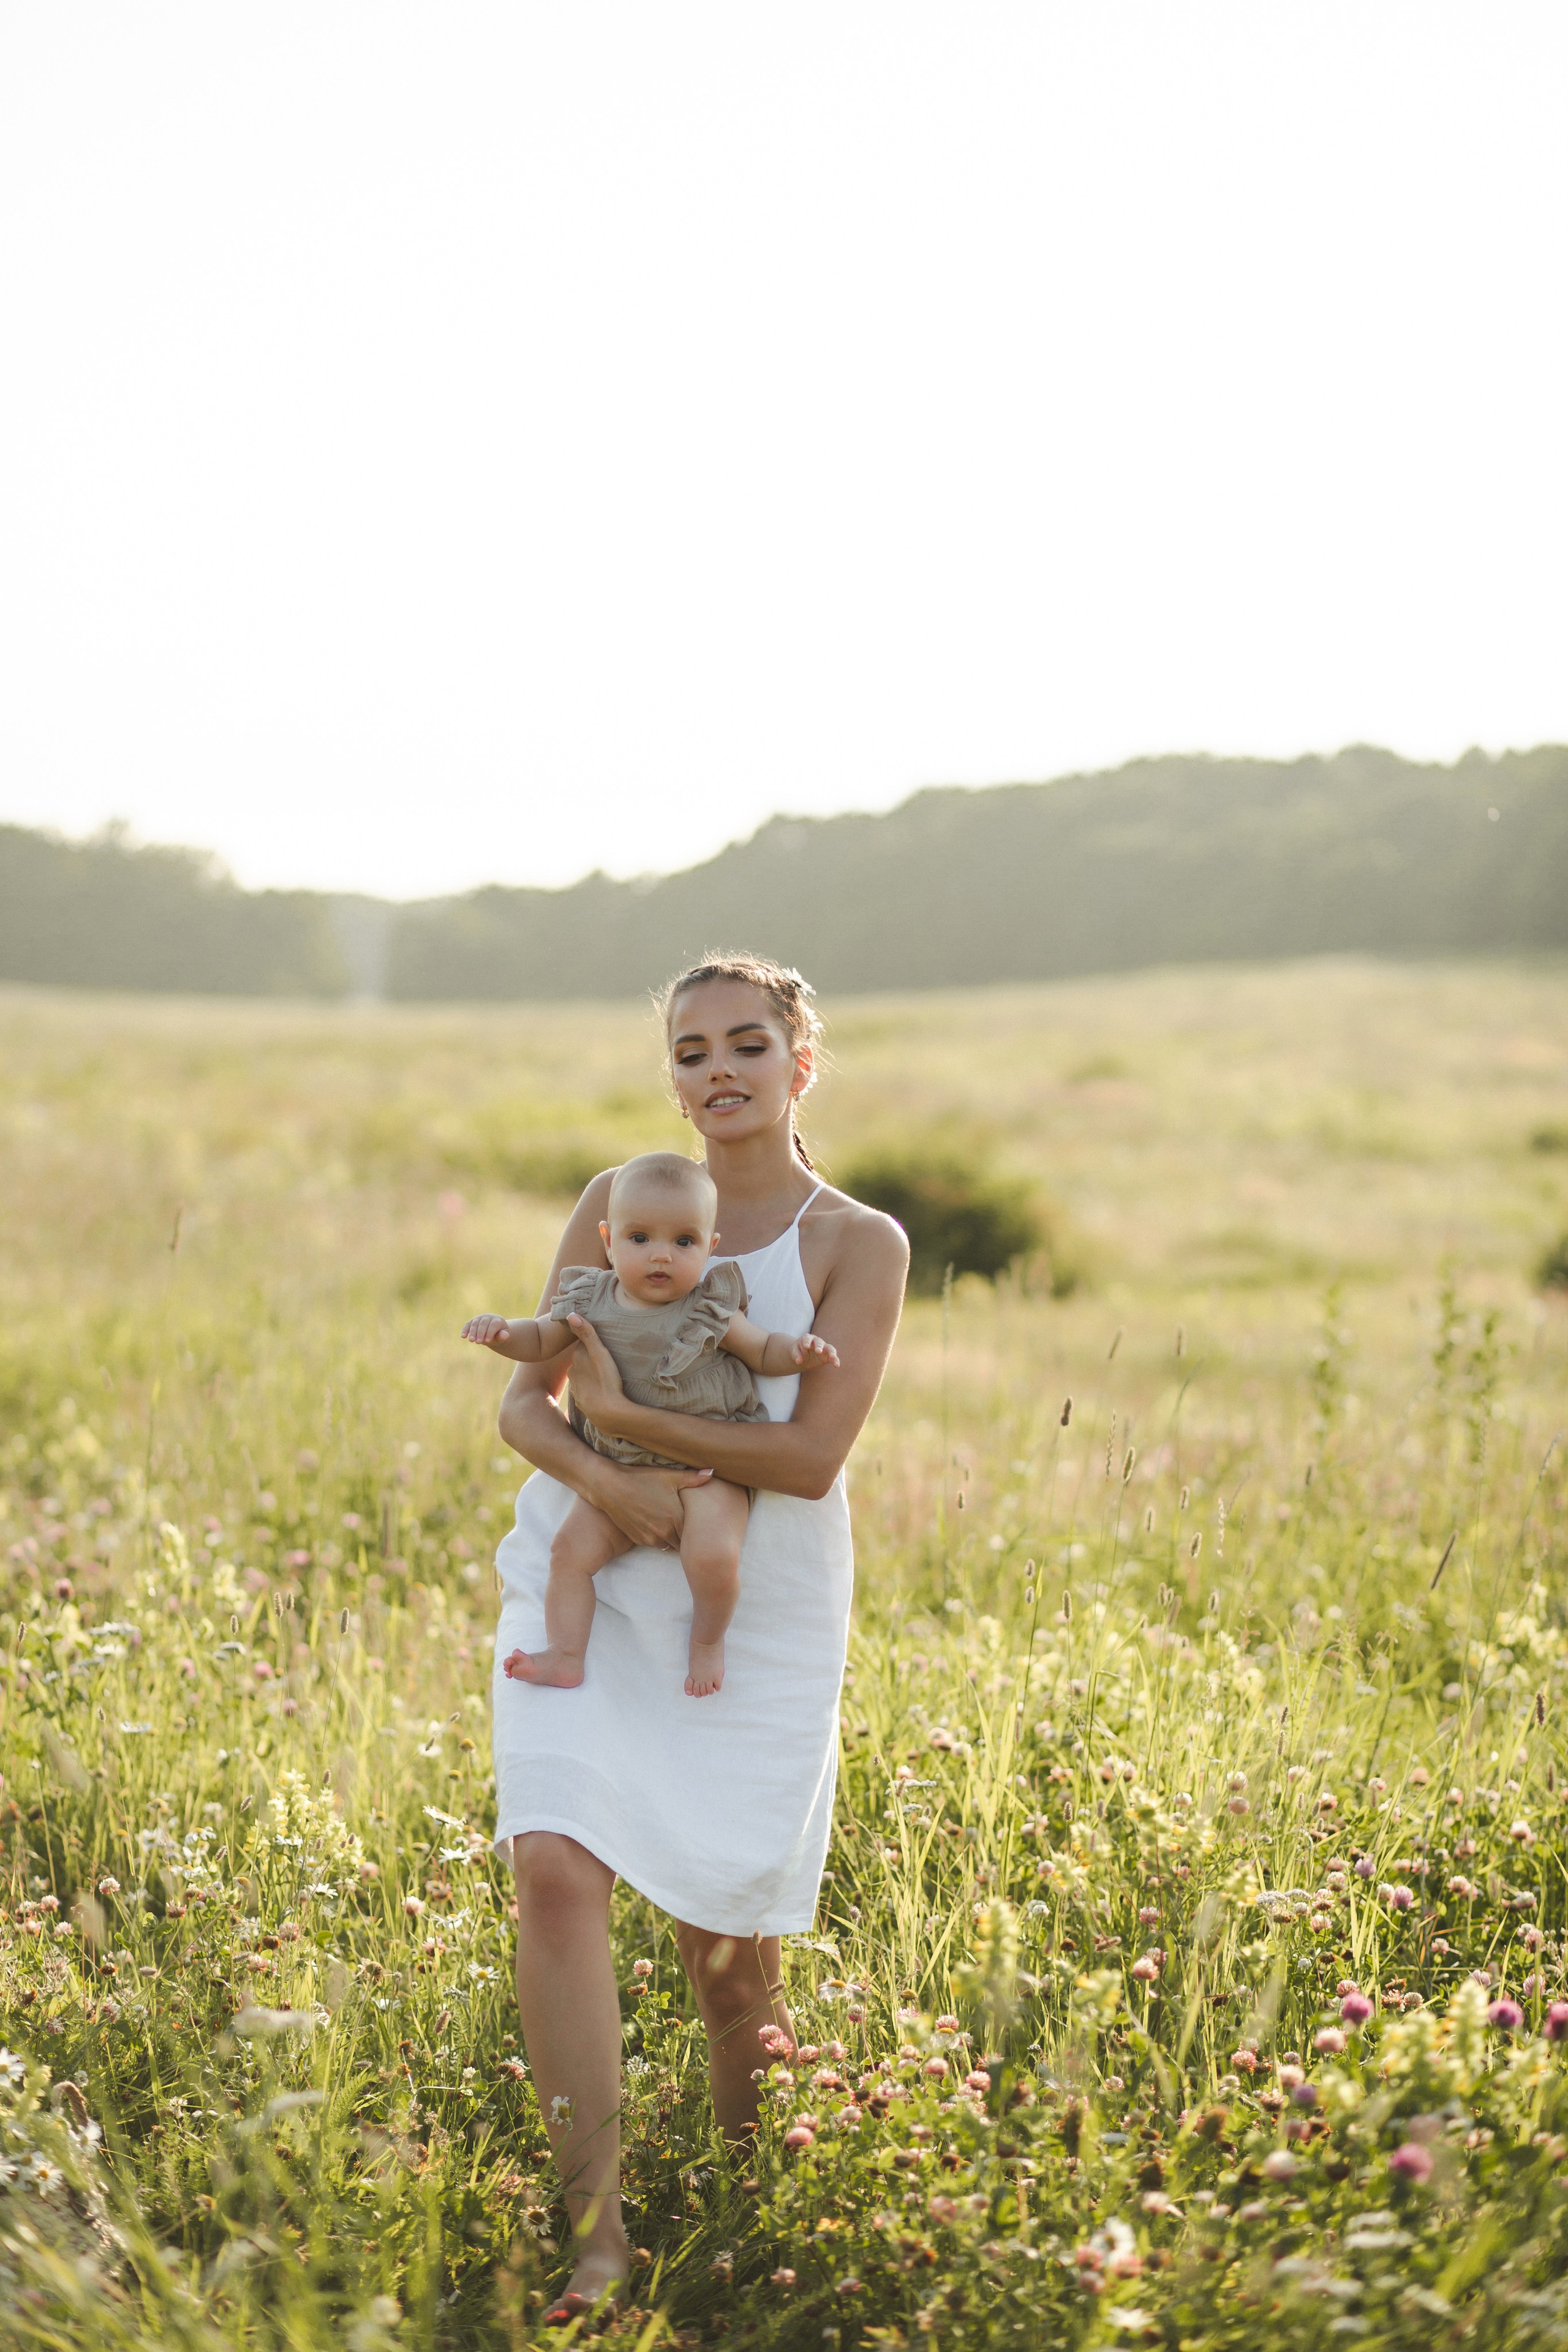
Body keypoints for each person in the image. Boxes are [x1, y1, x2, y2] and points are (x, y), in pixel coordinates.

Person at [488, 953, 907, 2316]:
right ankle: (596, 2236)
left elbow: (805, 1458)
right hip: (591, 1568)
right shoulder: (620, 1202)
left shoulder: (858, 1241)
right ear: (667, 1071)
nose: (714, 1069)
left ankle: (751, 2210)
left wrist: (639, 1426)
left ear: (799, 1057)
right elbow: (525, 1407)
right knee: (553, 1862)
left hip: (753, 1602)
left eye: (743, 1042)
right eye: (688, 1050)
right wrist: (605, 1479)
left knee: (730, 1959)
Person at [461, 1150, 840, 1695]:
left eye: (683, 1242)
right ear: (609, 1241)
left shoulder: (707, 1308)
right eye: (640, 1239)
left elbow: (762, 1351)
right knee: (569, 1553)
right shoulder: (590, 1297)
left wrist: (799, 1352)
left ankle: (707, 1641)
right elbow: (541, 1338)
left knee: (713, 1553)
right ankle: (566, 1653)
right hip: (619, 1464)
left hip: (709, 1468)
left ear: (709, 1248)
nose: (661, 1256)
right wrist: (503, 1333)